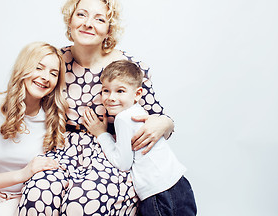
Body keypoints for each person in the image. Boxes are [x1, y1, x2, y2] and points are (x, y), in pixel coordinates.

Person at [0, 0, 175, 215]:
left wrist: (166, 123)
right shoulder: (56, 60)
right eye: (81, 15)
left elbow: (157, 118)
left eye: (99, 19)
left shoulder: (126, 67)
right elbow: (24, 85)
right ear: (70, 21)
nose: (88, 23)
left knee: (80, 205)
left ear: (109, 30)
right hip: (59, 151)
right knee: (37, 192)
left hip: (108, 154)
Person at [0, 42, 68, 216]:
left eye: (53, 73)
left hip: (28, 196)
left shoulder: (54, 118)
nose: (46, 77)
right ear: (23, 68)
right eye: (38, 68)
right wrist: (23, 173)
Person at [83, 60, 197, 216]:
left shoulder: (122, 119)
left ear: (137, 94)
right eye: (106, 90)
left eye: (120, 91)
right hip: (179, 184)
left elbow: (122, 163)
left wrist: (101, 134)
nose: (111, 97)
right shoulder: (138, 111)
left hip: (159, 192)